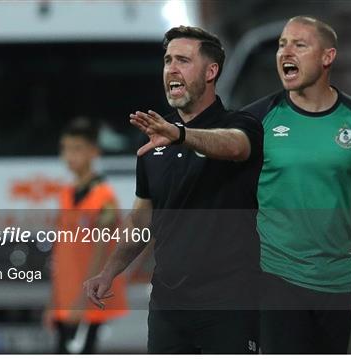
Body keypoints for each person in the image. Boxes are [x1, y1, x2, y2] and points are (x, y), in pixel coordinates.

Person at [84, 26, 263, 354]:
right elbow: (140, 222)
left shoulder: (241, 125)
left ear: (212, 72)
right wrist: (109, 272)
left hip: (229, 308)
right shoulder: (153, 139)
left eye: (183, 60)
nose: (172, 69)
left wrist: (181, 135)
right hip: (169, 309)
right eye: (168, 61)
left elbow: (235, 147)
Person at [242, 16, 351, 353]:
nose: (285, 51)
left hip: (334, 283)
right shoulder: (256, 120)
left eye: (299, 45)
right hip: (272, 278)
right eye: (281, 44)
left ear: (327, 57)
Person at [44, 117, 128, 354]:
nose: (70, 156)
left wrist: (82, 302)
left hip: (87, 302)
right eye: (66, 149)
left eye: (77, 149)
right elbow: (60, 252)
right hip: (65, 297)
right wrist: (53, 301)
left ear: (94, 152)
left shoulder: (104, 198)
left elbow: (100, 254)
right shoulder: (66, 194)